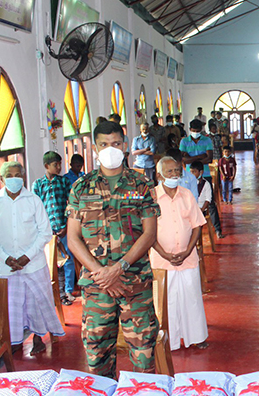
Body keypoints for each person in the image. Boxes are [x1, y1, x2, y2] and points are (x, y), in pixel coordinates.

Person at [66, 121, 160, 377]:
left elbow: (150, 233)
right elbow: (73, 238)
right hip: (97, 289)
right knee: (97, 360)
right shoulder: (81, 188)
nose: (111, 149)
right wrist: (102, 274)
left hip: (135, 284)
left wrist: (119, 268)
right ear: (95, 148)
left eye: (116, 143)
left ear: (125, 145)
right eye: (104, 144)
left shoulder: (140, 185)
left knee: (143, 359)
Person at [0, 161, 64, 354]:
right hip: (5, 266)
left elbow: (45, 232)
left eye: (17, 175)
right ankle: (13, 342)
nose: (14, 179)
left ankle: (39, 336)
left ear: (23, 177)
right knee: (9, 308)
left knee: (36, 302)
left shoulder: (33, 200)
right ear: (2, 179)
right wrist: (6, 258)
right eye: (9, 175)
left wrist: (26, 257)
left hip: (33, 263)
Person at [150, 157, 209, 350]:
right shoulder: (151, 198)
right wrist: (166, 255)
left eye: (177, 171)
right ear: (159, 175)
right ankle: (170, 341)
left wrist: (187, 251)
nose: (174, 175)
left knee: (191, 298)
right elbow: (148, 233)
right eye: (169, 172)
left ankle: (197, 337)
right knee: (168, 302)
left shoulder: (187, 195)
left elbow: (197, 226)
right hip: (162, 259)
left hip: (187, 257)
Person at [32, 151, 76, 306]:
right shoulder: (38, 185)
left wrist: (66, 225)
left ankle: (68, 290)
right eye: (55, 164)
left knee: (67, 259)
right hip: (47, 231)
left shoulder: (63, 182)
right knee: (50, 262)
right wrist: (45, 230)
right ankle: (54, 292)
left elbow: (71, 204)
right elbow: (36, 209)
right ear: (46, 166)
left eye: (60, 164)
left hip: (64, 228)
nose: (59, 167)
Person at [190, 161, 223, 239]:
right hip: (191, 209)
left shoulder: (206, 184)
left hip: (201, 209)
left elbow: (208, 199)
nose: (192, 174)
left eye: (194, 172)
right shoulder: (189, 183)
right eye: (191, 172)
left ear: (201, 172)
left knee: (196, 223)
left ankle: (217, 230)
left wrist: (201, 209)